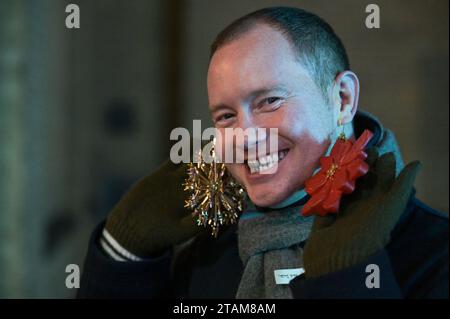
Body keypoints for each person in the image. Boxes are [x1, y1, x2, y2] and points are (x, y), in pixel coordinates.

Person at [78, 7, 448, 299]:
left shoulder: (433, 255)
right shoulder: (206, 257)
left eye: (270, 100)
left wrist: (345, 274)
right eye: (226, 116)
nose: (245, 136)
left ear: (342, 99)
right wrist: (122, 251)